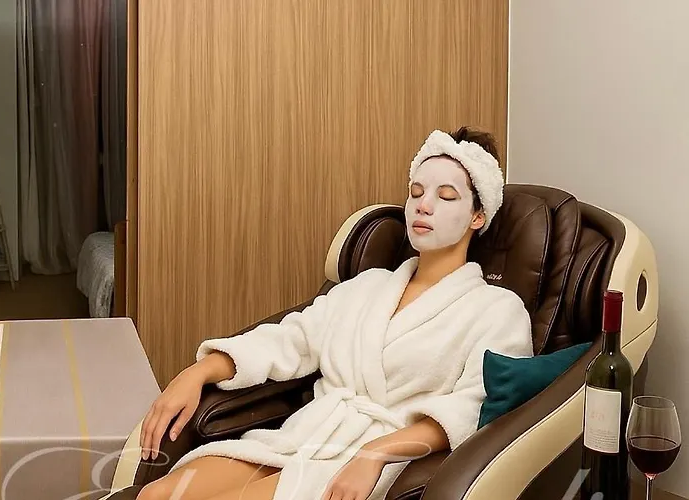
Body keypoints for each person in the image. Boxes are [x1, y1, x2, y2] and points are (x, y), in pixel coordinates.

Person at [134, 127, 534, 500]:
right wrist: (197, 373)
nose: (423, 206)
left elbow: (471, 409)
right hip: (303, 437)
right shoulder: (367, 286)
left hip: (378, 462)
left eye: (446, 197)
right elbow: (290, 339)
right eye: (416, 192)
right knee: (154, 496)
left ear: (478, 216)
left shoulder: (497, 311)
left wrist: (376, 454)